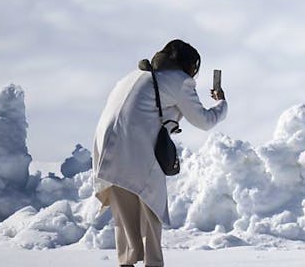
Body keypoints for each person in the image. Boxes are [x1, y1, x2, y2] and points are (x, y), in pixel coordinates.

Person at [92, 39, 228, 267]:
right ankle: (153, 263)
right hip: (136, 147)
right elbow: (205, 121)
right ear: (188, 65)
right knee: (151, 205)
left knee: (124, 213)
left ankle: (126, 262)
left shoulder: (134, 76)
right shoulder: (180, 81)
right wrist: (222, 103)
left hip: (105, 148)